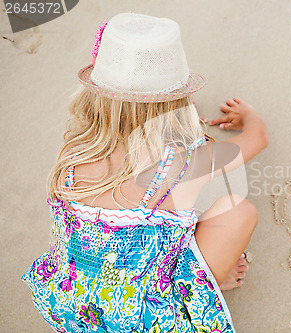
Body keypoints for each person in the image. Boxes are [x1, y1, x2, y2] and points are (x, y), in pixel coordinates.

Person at [21, 12, 268, 333]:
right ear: (176, 103)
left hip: (76, 306)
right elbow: (257, 139)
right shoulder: (182, 166)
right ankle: (212, 280)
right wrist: (249, 117)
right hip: (146, 319)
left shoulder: (75, 154)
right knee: (239, 211)